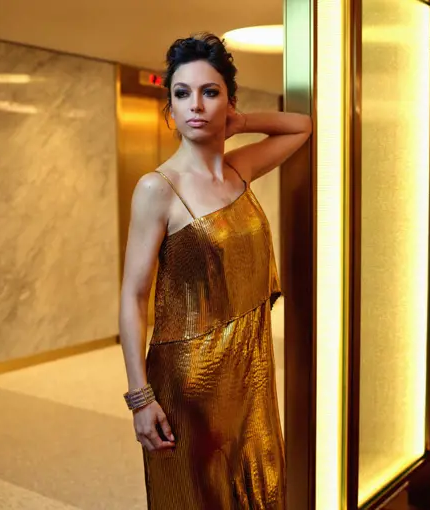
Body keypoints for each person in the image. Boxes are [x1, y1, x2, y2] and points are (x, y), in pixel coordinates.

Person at [119, 32, 312, 509]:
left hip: (250, 366)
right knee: (201, 496)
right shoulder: (157, 187)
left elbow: (301, 126)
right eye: (181, 94)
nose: (195, 105)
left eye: (210, 92)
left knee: (261, 487)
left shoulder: (237, 169)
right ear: (169, 106)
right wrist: (140, 399)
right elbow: (132, 297)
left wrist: (239, 122)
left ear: (229, 100)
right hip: (190, 380)